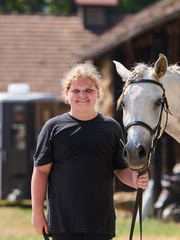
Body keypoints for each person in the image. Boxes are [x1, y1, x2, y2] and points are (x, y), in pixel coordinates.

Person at [31, 63, 149, 240]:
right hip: (63, 224)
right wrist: (37, 213)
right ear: (66, 94)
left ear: (98, 93)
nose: (82, 95)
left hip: (100, 223)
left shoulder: (112, 128)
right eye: (76, 90)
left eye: (88, 90)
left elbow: (120, 168)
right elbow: (40, 171)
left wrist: (134, 180)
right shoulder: (53, 128)